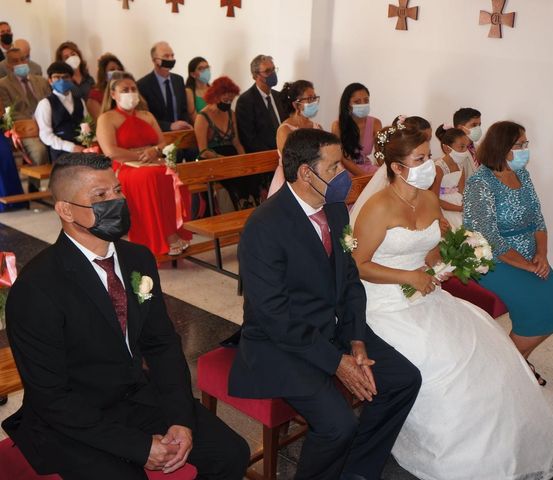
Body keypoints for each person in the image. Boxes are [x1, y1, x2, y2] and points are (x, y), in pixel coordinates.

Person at [2, 152, 250, 479]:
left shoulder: (137, 259)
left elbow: (162, 343)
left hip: (136, 396)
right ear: (64, 209)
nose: (116, 201)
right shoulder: (36, 289)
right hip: (72, 419)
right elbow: (52, 397)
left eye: (117, 190)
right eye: (100, 196)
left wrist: (181, 419)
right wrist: (138, 446)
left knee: (232, 453)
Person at [351, 121, 553, 480]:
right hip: (385, 304)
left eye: (427, 157)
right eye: (419, 159)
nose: (428, 165)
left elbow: (430, 255)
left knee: (483, 347)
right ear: (397, 168)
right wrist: (408, 276)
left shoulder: (430, 200)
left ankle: (501, 448)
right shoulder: (378, 208)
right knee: (444, 362)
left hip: (425, 294)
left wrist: (444, 266)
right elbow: (358, 266)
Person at [230, 128, 421, 480]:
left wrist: (357, 338)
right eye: (334, 167)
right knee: (338, 426)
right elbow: (273, 316)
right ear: (306, 173)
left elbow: (348, 280)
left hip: (332, 329)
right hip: (280, 343)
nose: (343, 176)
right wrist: (337, 363)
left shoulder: (333, 210)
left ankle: (358, 470)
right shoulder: (264, 226)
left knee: (404, 380)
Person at [463, 121, 553, 383]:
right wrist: (526, 265)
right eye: (520, 144)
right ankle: (507, 370)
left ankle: (514, 362)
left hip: (529, 256)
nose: (526, 149)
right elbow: (488, 237)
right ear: (502, 147)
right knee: (537, 312)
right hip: (490, 259)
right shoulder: (481, 182)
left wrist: (541, 256)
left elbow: (538, 220)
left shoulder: (522, 175)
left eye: (526, 143)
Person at [96, 72, 192, 256]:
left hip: (152, 160)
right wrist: (138, 156)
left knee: (173, 174)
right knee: (150, 177)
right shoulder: (107, 118)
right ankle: (160, 236)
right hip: (124, 166)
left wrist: (154, 151)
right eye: (125, 90)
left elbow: (162, 142)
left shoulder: (147, 115)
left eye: (133, 89)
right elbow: (110, 150)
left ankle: (174, 229)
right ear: (113, 94)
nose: (130, 93)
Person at [194, 76, 260, 210]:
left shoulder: (231, 114)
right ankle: (241, 207)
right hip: (212, 159)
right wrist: (223, 160)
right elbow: (203, 150)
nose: (228, 102)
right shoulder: (203, 117)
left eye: (231, 100)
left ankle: (253, 208)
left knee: (251, 175)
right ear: (216, 96)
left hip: (231, 155)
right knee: (235, 178)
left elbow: (237, 143)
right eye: (225, 99)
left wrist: (243, 160)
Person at [0, 47, 51, 185]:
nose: (20, 63)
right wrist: (34, 120)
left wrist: (43, 118)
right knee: (39, 151)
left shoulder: (41, 81)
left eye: (23, 59)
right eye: (15, 61)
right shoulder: (3, 85)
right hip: (25, 130)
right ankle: (36, 186)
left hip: (47, 125)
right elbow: (8, 112)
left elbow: (50, 103)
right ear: (8, 65)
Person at [266, 79, 322, 197]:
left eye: (315, 98)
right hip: (291, 180)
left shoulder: (317, 128)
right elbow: (290, 161)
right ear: (296, 104)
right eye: (310, 98)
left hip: (316, 177)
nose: (314, 102)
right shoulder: (285, 130)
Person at [34, 61, 88, 162]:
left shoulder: (80, 101)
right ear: (50, 81)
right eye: (57, 77)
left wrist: (89, 142)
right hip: (60, 153)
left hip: (82, 150)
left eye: (65, 77)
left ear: (71, 79)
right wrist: (71, 147)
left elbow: (87, 125)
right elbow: (45, 135)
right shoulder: (45, 103)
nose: (61, 80)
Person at [236, 54, 286, 153]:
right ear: (255, 76)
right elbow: (249, 139)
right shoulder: (245, 101)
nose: (272, 74)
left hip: (285, 154)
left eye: (273, 69)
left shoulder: (279, 97)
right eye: (267, 71)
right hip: (264, 158)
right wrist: (274, 154)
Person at [137, 42, 191, 132]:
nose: (171, 59)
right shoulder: (142, 85)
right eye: (166, 56)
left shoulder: (179, 80)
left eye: (172, 55)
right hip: (157, 134)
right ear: (154, 60)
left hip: (181, 134)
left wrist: (184, 124)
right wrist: (169, 126)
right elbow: (144, 116)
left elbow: (183, 109)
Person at [331, 83, 382, 176]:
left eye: (366, 100)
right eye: (357, 102)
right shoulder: (337, 126)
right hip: (343, 171)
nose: (363, 104)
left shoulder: (376, 123)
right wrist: (364, 177)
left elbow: (380, 153)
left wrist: (384, 171)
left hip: (367, 169)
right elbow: (342, 158)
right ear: (348, 104)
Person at [430, 124, 470, 230]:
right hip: (443, 207)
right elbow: (433, 198)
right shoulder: (439, 167)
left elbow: (462, 189)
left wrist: (466, 205)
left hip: (458, 202)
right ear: (447, 148)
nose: (465, 151)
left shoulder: (460, 164)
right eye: (461, 147)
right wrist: (458, 208)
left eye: (467, 147)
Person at [87, 53, 125, 121]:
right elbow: (102, 121)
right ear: (104, 75)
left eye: (119, 69)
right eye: (112, 70)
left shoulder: (127, 90)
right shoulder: (95, 96)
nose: (117, 72)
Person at [453, 107, 482, 176]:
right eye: (474, 125)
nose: (478, 128)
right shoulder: (454, 152)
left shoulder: (477, 148)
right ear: (460, 128)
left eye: (479, 125)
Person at [185, 56, 210, 122]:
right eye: (201, 69)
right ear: (193, 74)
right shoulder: (189, 92)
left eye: (207, 67)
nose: (206, 71)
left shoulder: (213, 89)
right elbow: (194, 120)